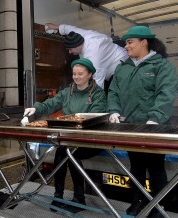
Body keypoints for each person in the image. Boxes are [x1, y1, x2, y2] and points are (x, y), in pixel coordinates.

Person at [107, 26, 178, 218]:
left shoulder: (161, 66)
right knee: (135, 166)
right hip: (130, 126)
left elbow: (166, 94)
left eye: (130, 42)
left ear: (144, 42)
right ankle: (136, 201)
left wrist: (154, 118)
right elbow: (113, 91)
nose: (126, 46)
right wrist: (113, 110)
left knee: (155, 167)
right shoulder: (123, 68)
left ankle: (158, 206)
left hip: (156, 126)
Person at [22, 58, 106, 213]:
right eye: (74, 74)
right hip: (69, 139)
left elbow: (95, 117)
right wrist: (36, 108)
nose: (76, 77)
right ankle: (58, 195)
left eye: (80, 74)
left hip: (90, 140)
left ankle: (79, 198)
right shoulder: (68, 91)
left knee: (70, 152)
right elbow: (52, 103)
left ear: (90, 75)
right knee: (61, 152)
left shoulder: (98, 94)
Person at [46, 23, 128, 90]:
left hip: (120, 65)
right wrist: (55, 27)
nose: (69, 52)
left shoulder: (93, 55)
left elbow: (97, 82)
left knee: (114, 93)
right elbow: (70, 28)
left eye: (70, 49)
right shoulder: (81, 35)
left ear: (77, 46)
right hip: (108, 64)